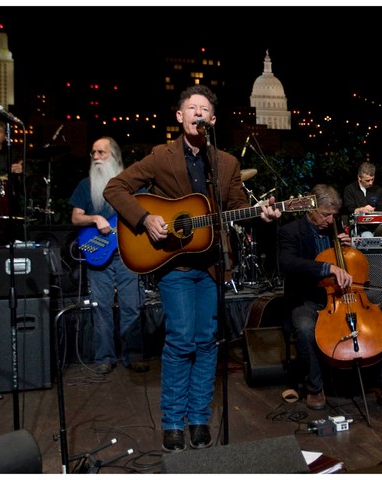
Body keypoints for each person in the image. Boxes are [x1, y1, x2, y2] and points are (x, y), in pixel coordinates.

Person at [104, 85, 281, 452]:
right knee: (182, 338)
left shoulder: (227, 163)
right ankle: (172, 421)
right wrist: (145, 218)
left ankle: (199, 419)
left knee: (206, 341)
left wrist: (260, 215)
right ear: (180, 115)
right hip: (175, 264)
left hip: (213, 266)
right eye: (191, 107)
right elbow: (116, 188)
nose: (198, 113)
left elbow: (237, 208)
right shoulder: (160, 156)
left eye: (205, 109)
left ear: (212, 121)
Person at [278, 183, 382, 413]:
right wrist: (326, 268)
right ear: (311, 209)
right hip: (311, 298)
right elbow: (287, 263)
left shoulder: (337, 227)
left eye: (333, 215)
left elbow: (354, 265)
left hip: (347, 295)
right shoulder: (291, 231)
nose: (330, 221)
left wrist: (351, 249)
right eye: (325, 215)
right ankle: (315, 387)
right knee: (303, 325)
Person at [68, 137, 148, 376]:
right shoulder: (86, 184)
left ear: (114, 156)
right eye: (93, 153)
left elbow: (145, 213)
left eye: (101, 152)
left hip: (127, 254)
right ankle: (104, 357)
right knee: (101, 308)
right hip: (97, 252)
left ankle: (133, 355)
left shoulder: (131, 184)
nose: (96, 157)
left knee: (131, 307)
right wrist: (95, 218)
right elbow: (75, 217)